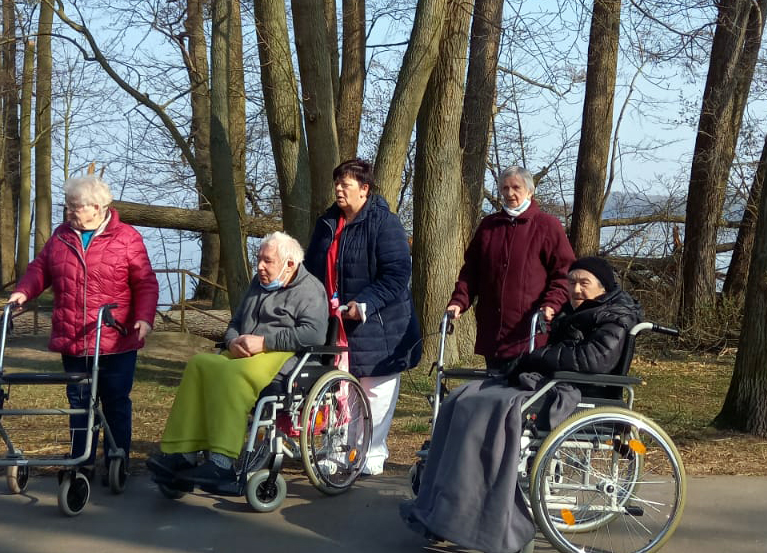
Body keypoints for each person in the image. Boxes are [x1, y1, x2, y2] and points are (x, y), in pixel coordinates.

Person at [401, 256, 642, 553]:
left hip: (576, 390)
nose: (576, 289)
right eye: (572, 282)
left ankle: (477, 517)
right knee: (462, 398)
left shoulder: (613, 316)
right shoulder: (579, 312)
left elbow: (595, 361)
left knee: (485, 411)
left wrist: (537, 358)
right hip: (553, 381)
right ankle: (443, 506)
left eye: (584, 283)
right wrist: (536, 361)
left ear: (603, 287)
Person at [147, 232, 327, 492]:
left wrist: (264, 342)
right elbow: (234, 323)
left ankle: (221, 462)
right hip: (244, 350)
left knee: (234, 375)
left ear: (290, 264)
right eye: (259, 259)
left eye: (267, 261)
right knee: (200, 365)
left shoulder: (311, 289)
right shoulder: (259, 283)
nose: (260, 266)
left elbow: (314, 333)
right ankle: (182, 454)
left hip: (284, 356)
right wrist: (232, 342)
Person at [8, 175, 158, 476]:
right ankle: (80, 461)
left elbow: (145, 282)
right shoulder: (61, 236)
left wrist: (144, 318)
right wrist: (24, 290)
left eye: (75, 207)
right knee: (78, 402)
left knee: (115, 400)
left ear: (98, 207)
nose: (69, 212)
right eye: (68, 206)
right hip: (74, 337)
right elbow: (41, 268)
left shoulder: (127, 238)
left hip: (116, 339)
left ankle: (118, 457)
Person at [303, 158, 421, 476]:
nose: (339, 189)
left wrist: (364, 303)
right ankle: (336, 448)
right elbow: (312, 270)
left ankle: (371, 450)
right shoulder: (326, 223)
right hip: (334, 323)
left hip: (380, 325)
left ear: (364, 189)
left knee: (373, 391)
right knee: (337, 390)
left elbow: (397, 273)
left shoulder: (385, 223)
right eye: (337, 183)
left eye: (346, 184)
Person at [446, 166, 576, 369]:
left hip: (531, 333)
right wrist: (459, 301)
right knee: (495, 395)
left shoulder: (547, 226)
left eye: (516, 187)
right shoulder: (489, 226)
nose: (510, 193)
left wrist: (552, 304)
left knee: (525, 396)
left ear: (530, 191)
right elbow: (471, 272)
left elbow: (564, 274)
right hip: (493, 333)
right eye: (505, 188)